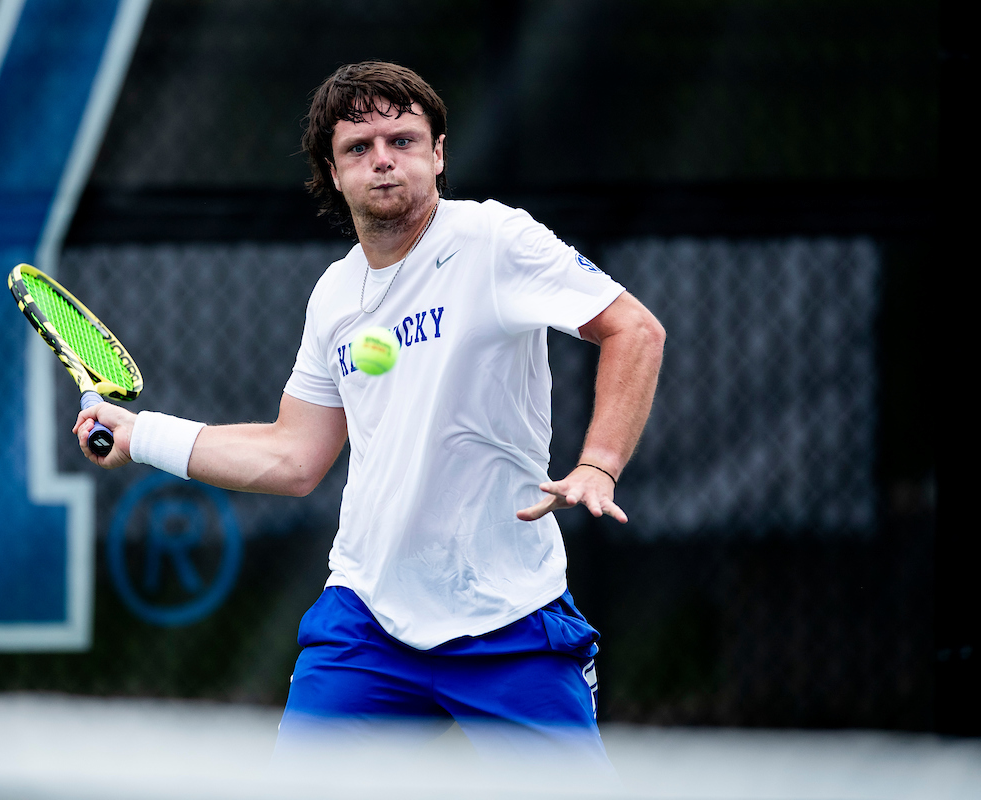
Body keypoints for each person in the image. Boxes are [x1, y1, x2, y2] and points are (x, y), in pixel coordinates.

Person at [74, 61, 665, 772]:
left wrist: (599, 462)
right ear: (333, 169)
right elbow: (293, 458)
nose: (384, 160)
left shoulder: (495, 241)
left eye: (403, 140)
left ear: (438, 154)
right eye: (360, 147)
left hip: (509, 618)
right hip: (370, 619)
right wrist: (143, 436)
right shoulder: (334, 297)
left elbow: (635, 330)